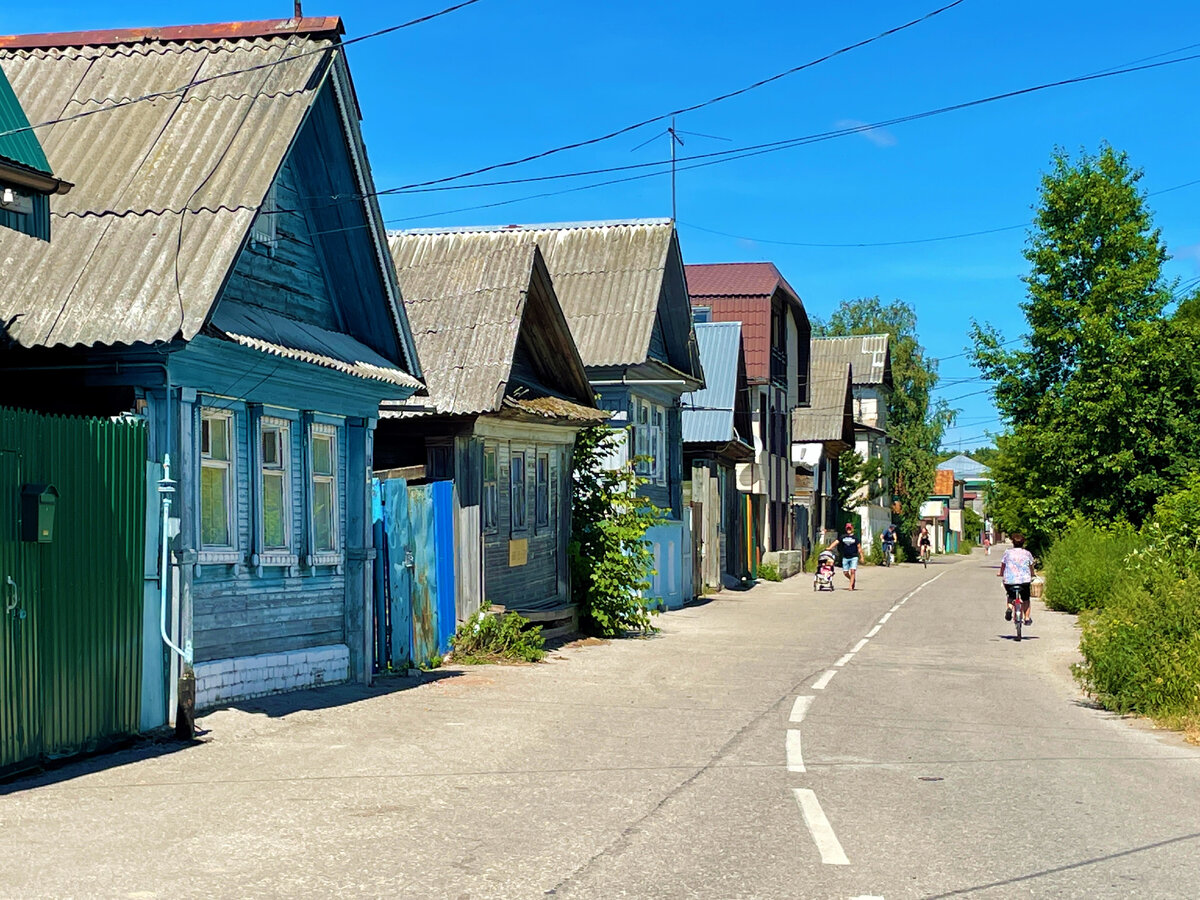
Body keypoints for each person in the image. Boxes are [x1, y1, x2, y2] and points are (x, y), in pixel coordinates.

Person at [998, 531, 1035, 626]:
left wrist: (1001, 573)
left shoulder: (1007, 553)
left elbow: (1003, 565)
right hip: (1024, 581)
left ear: (1013, 543)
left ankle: (1010, 607)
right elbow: (1031, 566)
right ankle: (1026, 618)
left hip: (1010, 581)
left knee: (1010, 596)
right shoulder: (1027, 553)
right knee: (1026, 598)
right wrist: (1032, 574)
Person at [827, 522, 860, 590]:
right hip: (845, 557)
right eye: (847, 528)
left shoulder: (855, 538)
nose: (849, 530)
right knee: (845, 572)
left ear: (852, 529)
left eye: (850, 528)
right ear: (846, 529)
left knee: (853, 571)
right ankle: (852, 579)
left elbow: (859, 547)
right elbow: (836, 542)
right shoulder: (843, 537)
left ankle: (850, 586)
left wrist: (862, 557)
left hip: (854, 556)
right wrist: (830, 548)